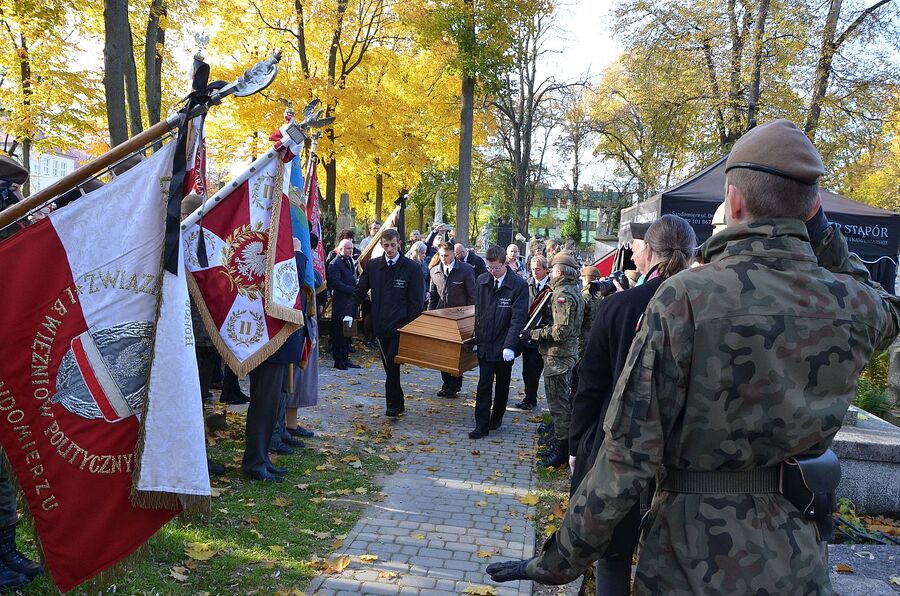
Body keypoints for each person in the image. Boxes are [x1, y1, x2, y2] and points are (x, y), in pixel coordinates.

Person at [486, 119, 900, 593]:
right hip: (796, 558)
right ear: (811, 207)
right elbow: (884, 303)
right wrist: (821, 232)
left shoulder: (685, 297)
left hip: (690, 559)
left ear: (734, 199)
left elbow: (627, 455)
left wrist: (558, 561)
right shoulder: (850, 304)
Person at [568, 215, 695, 595]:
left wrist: (577, 445)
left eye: (638, 248)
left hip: (621, 447)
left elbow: (590, 385)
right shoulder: (706, 305)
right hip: (685, 447)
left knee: (613, 553)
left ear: (648, 254)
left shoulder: (619, 305)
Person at [347, 228, 425, 417]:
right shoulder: (373, 266)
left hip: (401, 327)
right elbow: (359, 292)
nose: (389, 249)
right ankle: (398, 403)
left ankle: (393, 405)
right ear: (381, 245)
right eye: (386, 245)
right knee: (390, 367)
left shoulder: (412, 268)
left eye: (392, 245)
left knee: (392, 363)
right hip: (380, 326)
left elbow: (417, 301)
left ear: (399, 243)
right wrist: (349, 313)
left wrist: (410, 326)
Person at [529, 252, 584, 468]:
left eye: (552, 270)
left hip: (558, 357)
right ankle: (559, 444)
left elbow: (561, 331)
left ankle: (562, 453)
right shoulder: (573, 290)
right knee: (562, 403)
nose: (550, 273)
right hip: (564, 355)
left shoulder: (562, 294)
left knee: (559, 406)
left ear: (559, 271)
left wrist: (534, 334)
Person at [469, 245, 528, 439]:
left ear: (505, 263)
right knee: (484, 383)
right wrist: (476, 338)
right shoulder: (482, 280)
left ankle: (497, 417)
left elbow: (518, 318)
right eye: (489, 267)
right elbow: (479, 313)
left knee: (502, 384)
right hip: (486, 343)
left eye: (495, 268)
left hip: (504, 344)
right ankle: (481, 424)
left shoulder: (518, 285)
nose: (492, 271)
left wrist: (510, 345)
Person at [429, 243, 477, 397]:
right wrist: (430, 316)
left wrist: (471, 318)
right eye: (441, 255)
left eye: (447, 255)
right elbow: (433, 296)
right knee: (443, 352)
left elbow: (473, 295)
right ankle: (446, 384)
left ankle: (455, 385)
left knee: (456, 352)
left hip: (460, 318)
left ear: (454, 254)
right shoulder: (434, 271)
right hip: (441, 317)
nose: (444, 258)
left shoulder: (465, 270)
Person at [513, 255, 550, 411]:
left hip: (540, 334)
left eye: (538, 269)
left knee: (535, 369)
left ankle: (531, 398)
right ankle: (528, 397)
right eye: (533, 269)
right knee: (526, 369)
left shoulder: (551, 287)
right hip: (526, 331)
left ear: (546, 270)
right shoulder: (527, 284)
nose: (535, 272)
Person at [327, 239, 361, 370]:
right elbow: (335, 283)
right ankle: (338, 360)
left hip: (350, 303)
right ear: (340, 249)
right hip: (341, 303)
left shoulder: (350, 261)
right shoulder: (335, 263)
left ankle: (346, 358)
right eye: (348, 248)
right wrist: (353, 290)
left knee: (348, 331)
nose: (350, 250)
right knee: (339, 333)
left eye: (351, 248)